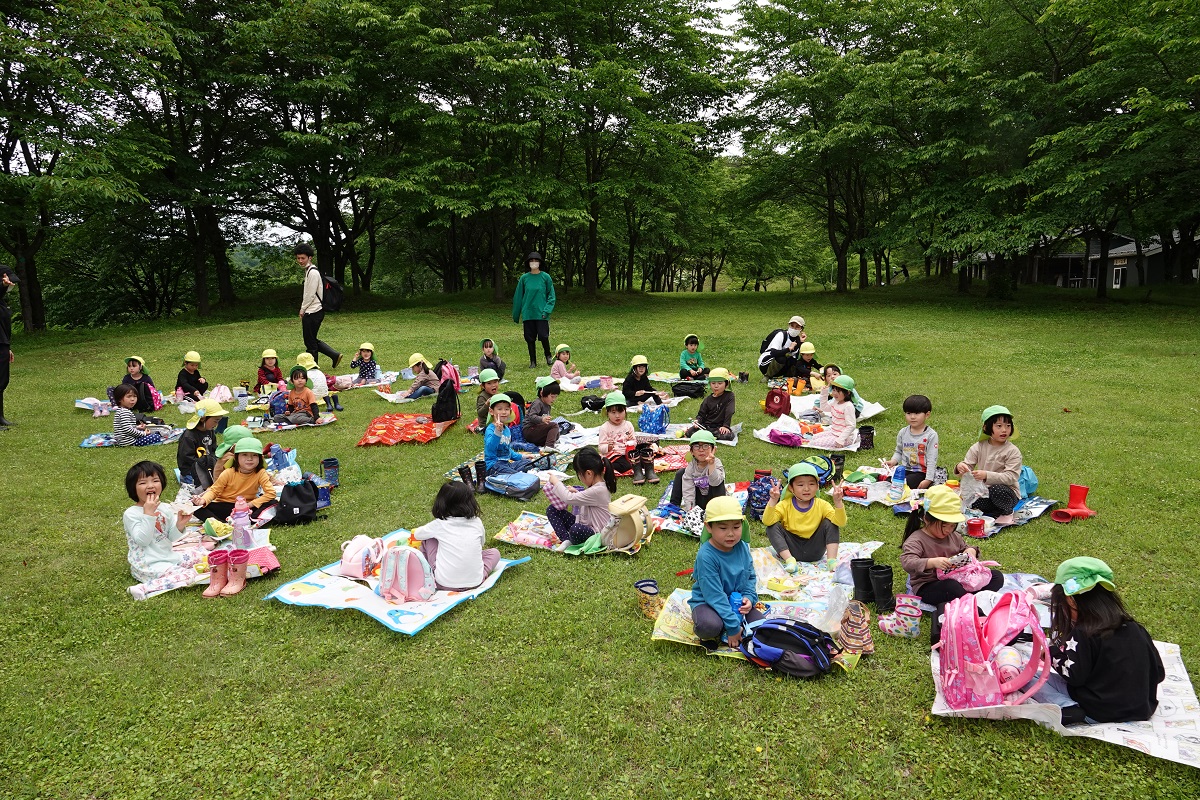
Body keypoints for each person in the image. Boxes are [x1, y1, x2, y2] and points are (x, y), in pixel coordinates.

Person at [1032, 557, 1165, 725]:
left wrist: (1051, 655)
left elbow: (1075, 677)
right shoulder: (1135, 628)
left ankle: (1067, 707)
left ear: (1071, 601)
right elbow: (1159, 673)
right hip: (1142, 709)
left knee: (1034, 677)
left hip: (1099, 711)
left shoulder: (1083, 632)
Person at [899, 484, 1003, 608]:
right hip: (930, 585)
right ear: (927, 519)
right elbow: (908, 562)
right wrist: (932, 562)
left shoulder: (953, 536)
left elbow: (966, 547)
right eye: (944, 525)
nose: (948, 530)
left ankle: (969, 598)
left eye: (952, 525)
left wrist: (970, 551)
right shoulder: (916, 540)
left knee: (996, 576)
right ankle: (972, 603)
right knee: (951, 587)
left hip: (960, 579)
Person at [122, 460, 206, 600]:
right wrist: (148, 514)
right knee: (189, 575)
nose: (150, 486)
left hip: (168, 556)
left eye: (155, 480)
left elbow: (171, 537)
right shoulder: (131, 514)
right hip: (148, 564)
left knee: (203, 556)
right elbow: (143, 541)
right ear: (133, 489)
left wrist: (180, 524)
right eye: (143, 483)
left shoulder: (165, 508)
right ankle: (142, 589)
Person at [689, 495, 763, 649]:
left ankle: (732, 624)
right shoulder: (706, 556)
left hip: (736, 602)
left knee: (761, 628)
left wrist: (749, 598)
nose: (731, 533)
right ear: (709, 527)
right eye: (723, 528)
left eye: (736, 527)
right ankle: (721, 626)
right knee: (708, 626)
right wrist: (733, 627)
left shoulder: (742, 547)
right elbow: (714, 595)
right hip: (709, 602)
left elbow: (750, 576)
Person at [412, 481, 502, 590]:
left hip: (443, 583)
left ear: (441, 502)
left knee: (429, 538)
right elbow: (481, 544)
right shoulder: (477, 522)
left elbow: (417, 535)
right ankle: (471, 571)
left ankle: (426, 567)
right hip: (475, 582)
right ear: (470, 501)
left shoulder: (440, 524)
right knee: (494, 553)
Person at [763, 462, 846, 573]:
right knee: (772, 527)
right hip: (791, 550)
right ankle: (790, 561)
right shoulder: (785, 505)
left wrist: (838, 502)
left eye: (811, 484)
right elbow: (767, 521)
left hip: (815, 550)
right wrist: (773, 500)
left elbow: (840, 522)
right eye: (800, 485)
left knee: (831, 523)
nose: (806, 489)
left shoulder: (822, 505)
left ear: (817, 486)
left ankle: (831, 562)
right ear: (791, 488)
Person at [955, 405, 1022, 521]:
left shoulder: (1013, 451)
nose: (1004, 430)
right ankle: (996, 510)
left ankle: (1007, 512)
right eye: (999, 426)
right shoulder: (979, 447)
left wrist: (986, 475)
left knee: (997, 490)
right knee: (970, 500)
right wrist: (961, 467)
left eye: (1008, 426)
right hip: (984, 491)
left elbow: (1011, 477)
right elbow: (968, 466)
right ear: (986, 427)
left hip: (1007, 493)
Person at [543, 447, 617, 545]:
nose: (580, 478)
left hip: (597, 535)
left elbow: (568, 498)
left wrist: (556, 481)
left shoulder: (598, 490)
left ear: (589, 473)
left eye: (580, 475)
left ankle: (570, 539)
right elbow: (589, 500)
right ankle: (566, 540)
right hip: (587, 526)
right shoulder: (597, 487)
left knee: (576, 529)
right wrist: (577, 492)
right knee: (552, 510)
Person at [194, 437, 277, 522]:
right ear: (236, 457)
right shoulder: (228, 473)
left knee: (273, 503)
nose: (249, 459)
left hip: (247, 508)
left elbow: (271, 493)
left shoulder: (261, 473)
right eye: (244, 455)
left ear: (260, 458)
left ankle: (249, 519)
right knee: (195, 506)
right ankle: (219, 523)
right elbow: (214, 491)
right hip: (225, 507)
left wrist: (249, 505)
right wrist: (203, 500)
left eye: (254, 455)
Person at [296, 242, 342, 369]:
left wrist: (302, 309)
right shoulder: (309, 271)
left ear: (310, 258)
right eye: (298, 258)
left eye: (303, 258)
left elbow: (310, 294)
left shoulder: (312, 273)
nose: (300, 261)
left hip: (313, 311)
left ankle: (312, 368)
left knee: (310, 342)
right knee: (311, 339)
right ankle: (334, 355)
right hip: (314, 311)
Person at [512, 251, 556, 368]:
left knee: (543, 336)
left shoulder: (546, 277)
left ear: (540, 263)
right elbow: (518, 297)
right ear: (528, 263)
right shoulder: (524, 278)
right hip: (528, 313)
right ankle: (533, 361)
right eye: (531, 261)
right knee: (529, 338)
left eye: (536, 261)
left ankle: (548, 355)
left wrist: (546, 311)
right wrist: (516, 314)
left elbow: (551, 296)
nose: (534, 263)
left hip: (541, 312)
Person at [884, 395, 938, 489]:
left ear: (927, 414)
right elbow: (899, 451)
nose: (912, 417)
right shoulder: (903, 432)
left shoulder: (931, 435)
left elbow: (931, 459)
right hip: (905, 469)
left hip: (921, 473)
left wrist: (928, 479)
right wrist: (893, 461)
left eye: (917, 413)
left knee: (903, 484)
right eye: (909, 413)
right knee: (889, 481)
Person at [670, 430, 726, 511]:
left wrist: (711, 464)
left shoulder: (716, 463)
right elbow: (688, 490)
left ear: (713, 449)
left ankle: (717, 512)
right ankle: (673, 506)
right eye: (696, 446)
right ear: (692, 451)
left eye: (706, 446)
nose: (701, 450)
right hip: (699, 501)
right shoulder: (691, 467)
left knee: (718, 481)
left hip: (715, 499)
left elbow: (715, 483)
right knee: (681, 473)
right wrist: (691, 510)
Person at [177, 398, 228, 487]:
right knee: (201, 487)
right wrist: (203, 463)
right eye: (215, 421)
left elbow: (214, 449)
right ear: (203, 418)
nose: (216, 424)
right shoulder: (188, 436)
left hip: (208, 466)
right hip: (192, 469)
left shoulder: (210, 431)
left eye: (218, 421)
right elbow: (186, 457)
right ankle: (184, 478)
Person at [484, 394, 530, 476]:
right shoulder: (490, 429)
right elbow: (490, 447)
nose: (504, 412)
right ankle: (517, 475)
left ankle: (516, 474)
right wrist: (497, 432)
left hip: (506, 464)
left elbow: (508, 450)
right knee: (514, 474)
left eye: (507, 409)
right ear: (491, 411)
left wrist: (522, 457)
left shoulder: (507, 430)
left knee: (529, 463)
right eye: (499, 409)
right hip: (494, 465)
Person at [684, 367, 735, 441]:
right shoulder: (707, 400)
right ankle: (707, 435)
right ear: (709, 384)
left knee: (728, 436)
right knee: (689, 433)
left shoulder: (730, 396)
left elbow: (729, 411)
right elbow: (701, 415)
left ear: (726, 384)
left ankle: (706, 436)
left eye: (720, 383)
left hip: (719, 428)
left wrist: (726, 426)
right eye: (713, 383)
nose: (716, 386)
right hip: (706, 426)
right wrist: (697, 421)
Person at [808, 375, 858, 450]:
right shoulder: (836, 401)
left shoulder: (848, 406)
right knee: (813, 437)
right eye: (834, 390)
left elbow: (851, 425)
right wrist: (824, 393)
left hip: (844, 438)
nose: (835, 393)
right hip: (833, 432)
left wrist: (841, 440)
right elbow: (824, 407)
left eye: (838, 391)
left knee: (816, 443)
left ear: (847, 392)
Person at [598, 390, 638, 472]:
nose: (617, 416)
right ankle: (604, 465)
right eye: (613, 412)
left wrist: (631, 442)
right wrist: (608, 447)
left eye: (620, 412)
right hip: (613, 455)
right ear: (607, 412)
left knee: (640, 459)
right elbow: (601, 447)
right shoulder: (605, 428)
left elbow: (634, 441)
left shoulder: (628, 425)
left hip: (627, 453)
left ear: (625, 411)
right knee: (625, 466)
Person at [0, 264, 17, 426]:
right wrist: (3, 285)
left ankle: (0, 418)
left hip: (2, 342)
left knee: (2, 381)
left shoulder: (2, 303)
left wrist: (7, 346)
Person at [523, 377, 561, 447]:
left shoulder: (548, 405)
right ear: (542, 393)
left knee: (556, 433)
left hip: (537, 430)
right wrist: (542, 419)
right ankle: (549, 446)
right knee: (554, 425)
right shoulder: (538, 403)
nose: (554, 399)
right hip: (530, 430)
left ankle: (543, 443)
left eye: (556, 397)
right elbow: (531, 416)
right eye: (552, 396)